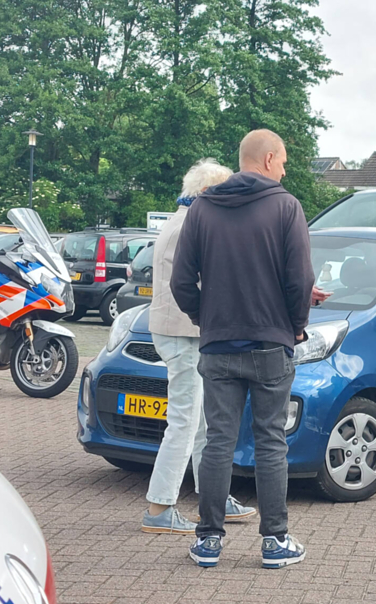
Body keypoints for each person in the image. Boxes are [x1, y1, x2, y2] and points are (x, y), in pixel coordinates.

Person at [172, 129, 316, 569]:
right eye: (285, 160)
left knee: (218, 441)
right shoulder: (286, 207)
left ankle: (208, 541)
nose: (286, 169)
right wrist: (295, 327)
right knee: (271, 442)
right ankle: (275, 542)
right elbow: (300, 281)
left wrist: (207, 320)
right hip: (271, 343)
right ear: (269, 159)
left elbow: (181, 282)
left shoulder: (201, 210)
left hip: (218, 346)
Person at [141, 159, 257, 535]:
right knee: (186, 421)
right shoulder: (191, 225)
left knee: (203, 422)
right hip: (185, 333)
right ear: (208, 193)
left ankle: (215, 496)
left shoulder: (180, 220)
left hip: (182, 331)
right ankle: (159, 508)